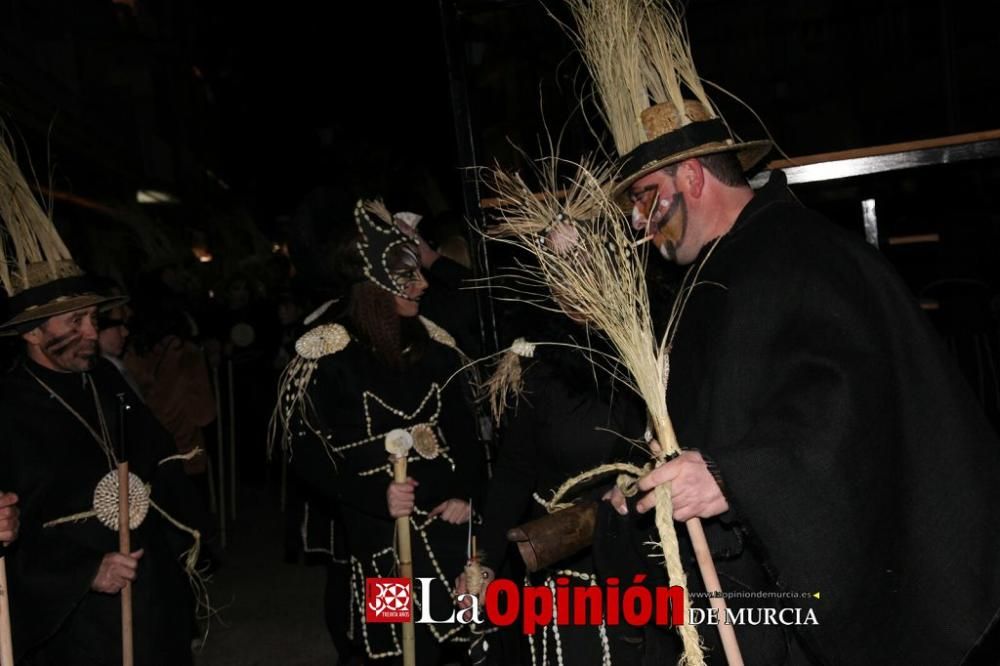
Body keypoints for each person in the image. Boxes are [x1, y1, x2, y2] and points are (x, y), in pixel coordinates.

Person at [555, 1, 1000, 663]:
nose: (641, 225)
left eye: (648, 198)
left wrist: (735, 477)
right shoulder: (723, 268)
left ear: (694, 176)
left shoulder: (800, 257)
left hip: (828, 599)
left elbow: (845, 400)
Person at [0, 135, 202, 665]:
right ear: (33, 334)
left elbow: (158, 460)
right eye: (76, 321)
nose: (93, 332)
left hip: (146, 589)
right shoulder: (7, 410)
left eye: (94, 318)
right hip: (74, 620)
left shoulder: (105, 382)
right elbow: (11, 540)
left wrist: (176, 521)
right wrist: (84, 573)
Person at [273, 192, 487, 664]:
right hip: (380, 550)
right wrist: (375, 498)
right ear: (373, 284)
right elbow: (305, 456)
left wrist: (465, 496)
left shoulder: (438, 349)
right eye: (407, 276)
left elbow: (468, 439)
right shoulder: (330, 356)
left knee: (439, 646)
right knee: (389, 651)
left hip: (443, 543)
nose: (422, 285)